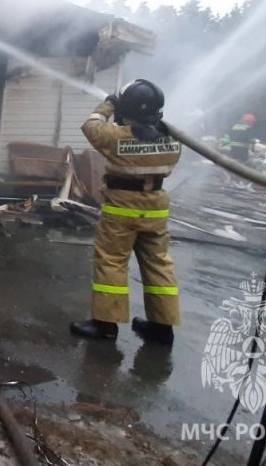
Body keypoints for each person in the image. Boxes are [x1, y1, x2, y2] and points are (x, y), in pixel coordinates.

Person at [70, 79, 182, 345]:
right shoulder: (172, 140)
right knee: (159, 265)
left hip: (121, 206)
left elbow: (91, 126)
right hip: (155, 206)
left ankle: (105, 326)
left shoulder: (116, 137)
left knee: (111, 262)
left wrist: (108, 104)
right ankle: (162, 328)